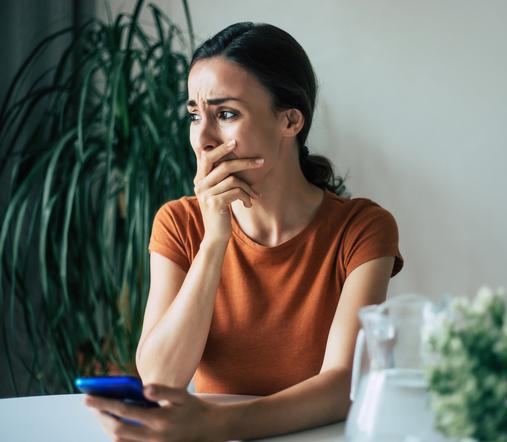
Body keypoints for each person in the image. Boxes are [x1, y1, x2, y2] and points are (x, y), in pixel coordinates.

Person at [84, 21, 403, 441]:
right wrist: (215, 240)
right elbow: (160, 377)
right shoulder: (179, 223)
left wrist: (220, 424)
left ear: (290, 121)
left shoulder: (361, 229)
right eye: (195, 115)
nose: (202, 137)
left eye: (227, 114)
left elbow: (343, 384)